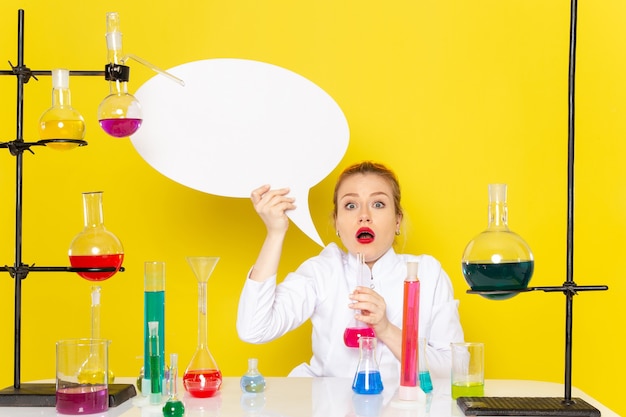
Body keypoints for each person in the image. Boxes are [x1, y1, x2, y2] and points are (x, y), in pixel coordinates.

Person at [237, 161, 464, 383]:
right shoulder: (322, 271)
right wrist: (275, 233)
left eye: (378, 204)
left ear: (397, 221)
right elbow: (254, 329)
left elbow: (455, 370)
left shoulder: (427, 274)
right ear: (336, 222)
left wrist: (385, 329)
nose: (364, 215)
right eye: (351, 205)